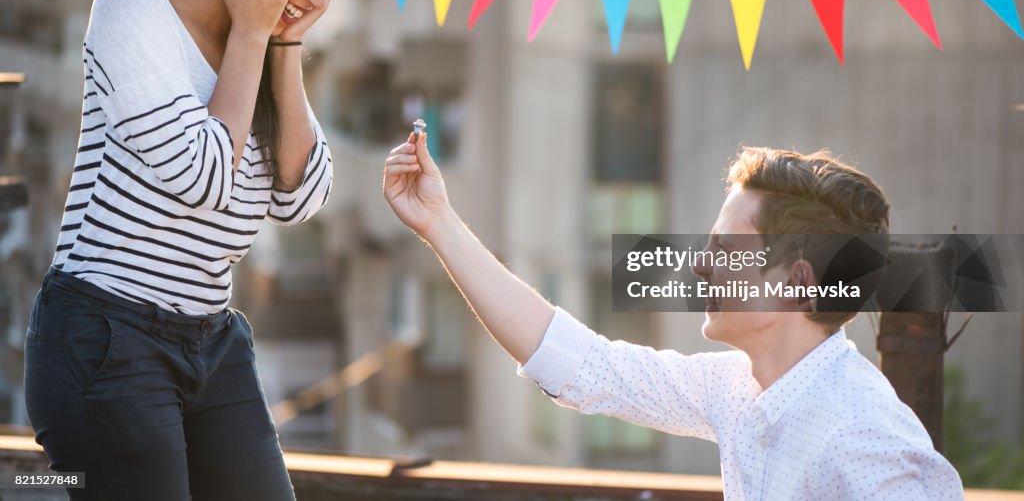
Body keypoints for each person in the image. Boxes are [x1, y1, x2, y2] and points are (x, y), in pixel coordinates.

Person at [24, 0, 387, 501]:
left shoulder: (269, 42)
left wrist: (281, 41)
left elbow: (302, 196)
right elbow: (203, 179)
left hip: (212, 340)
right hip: (106, 337)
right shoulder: (132, 10)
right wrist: (253, 31)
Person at [383, 135, 966, 500]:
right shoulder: (740, 387)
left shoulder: (866, 440)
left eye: (725, 251)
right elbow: (580, 365)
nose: (702, 267)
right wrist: (439, 223)